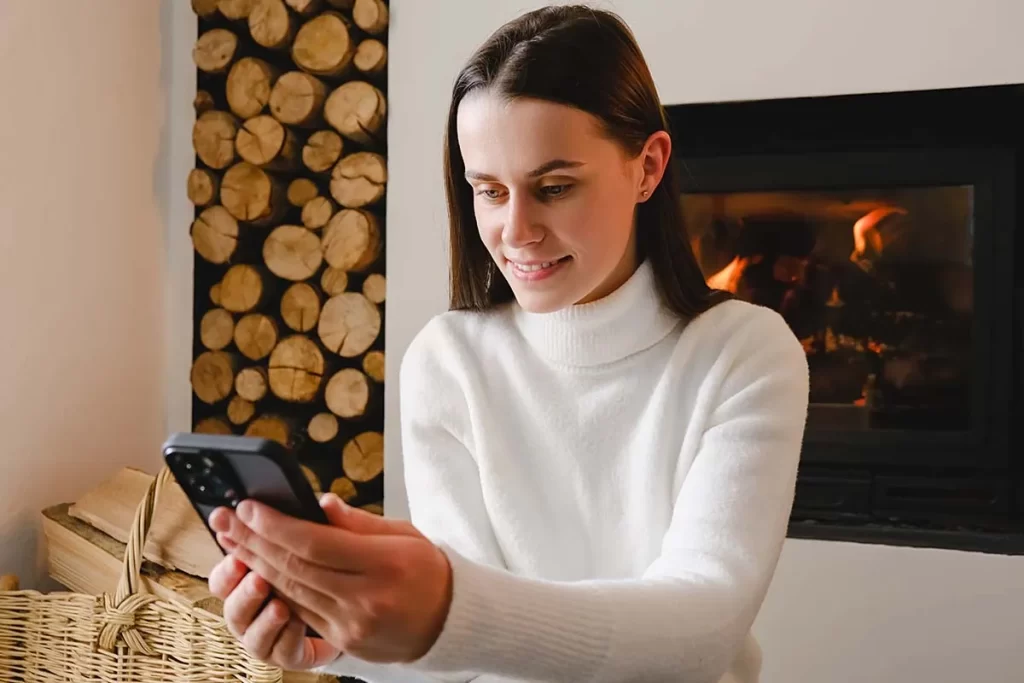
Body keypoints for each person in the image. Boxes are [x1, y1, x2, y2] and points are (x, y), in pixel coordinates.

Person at [206, 5, 810, 683]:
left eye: (554, 188)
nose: (515, 231)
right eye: (488, 191)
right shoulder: (449, 361)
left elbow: (703, 626)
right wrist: (343, 638)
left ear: (648, 167)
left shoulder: (744, 354)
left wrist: (444, 607)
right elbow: (463, 657)